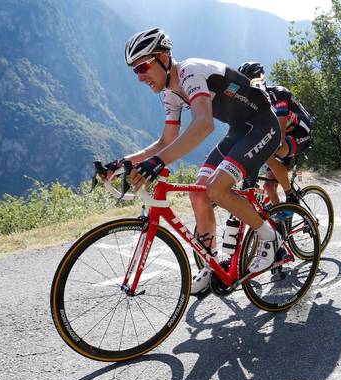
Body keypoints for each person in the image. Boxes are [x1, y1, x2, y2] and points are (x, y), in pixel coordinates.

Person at [108, 28, 283, 295]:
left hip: (262, 126)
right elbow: (165, 142)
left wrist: (156, 163)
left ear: (164, 57)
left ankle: (271, 238)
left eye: (143, 66)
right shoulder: (170, 94)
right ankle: (212, 264)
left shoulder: (191, 72)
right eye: (135, 70)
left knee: (216, 188)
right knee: (200, 192)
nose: (140, 76)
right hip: (239, 131)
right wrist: (122, 163)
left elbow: (203, 124)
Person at [237, 61, 313, 205]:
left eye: (251, 80)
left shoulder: (279, 93)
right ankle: (281, 224)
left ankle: (291, 196)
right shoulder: (257, 104)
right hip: (284, 137)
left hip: (301, 133)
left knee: (265, 153)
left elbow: (281, 129)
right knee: (269, 187)